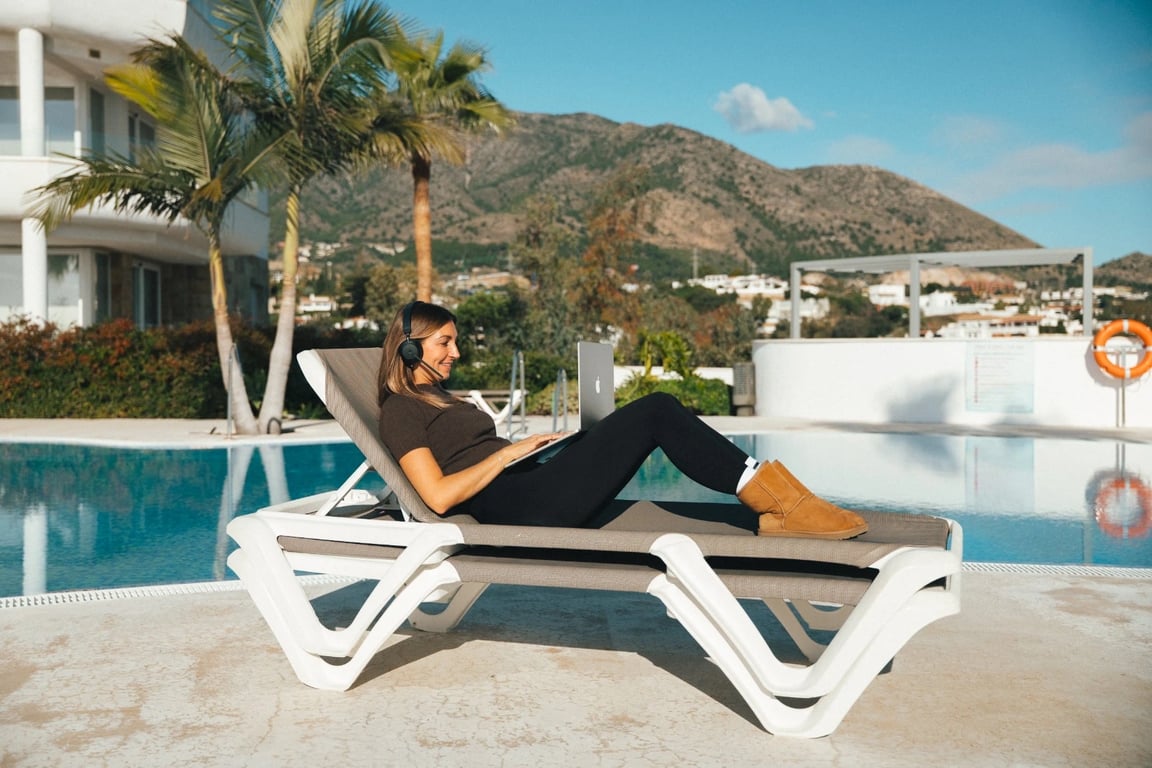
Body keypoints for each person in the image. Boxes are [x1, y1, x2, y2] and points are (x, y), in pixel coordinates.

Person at [377, 301, 868, 539]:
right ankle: (781, 501)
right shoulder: (401, 409)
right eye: (445, 343)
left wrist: (544, 449)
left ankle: (781, 500)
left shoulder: (436, 397)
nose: (455, 353)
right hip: (527, 505)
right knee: (655, 410)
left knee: (634, 419)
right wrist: (508, 452)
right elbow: (437, 496)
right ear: (410, 347)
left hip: (531, 483)